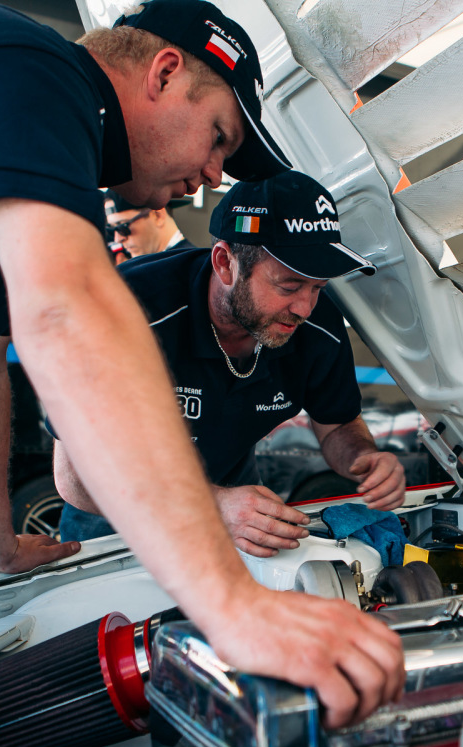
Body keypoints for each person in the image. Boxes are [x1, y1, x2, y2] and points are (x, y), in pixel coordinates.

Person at [0, 0, 402, 728]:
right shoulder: (31, 72)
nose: (211, 177)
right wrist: (237, 610)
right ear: (165, 72)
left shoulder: (10, 186)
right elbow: (65, 313)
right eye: (217, 138)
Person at [55, 172, 407, 552]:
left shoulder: (317, 327)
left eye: (317, 287)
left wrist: (365, 458)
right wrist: (212, 506)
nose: (304, 308)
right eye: (288, 286)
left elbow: (337, 425)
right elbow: (75, 477)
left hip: (229, 511)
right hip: (116, 524)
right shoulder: (124, 309)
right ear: (225, 263)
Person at [104, 188, 189, 260]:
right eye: (112, 229)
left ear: (157, 216)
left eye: (123, 226)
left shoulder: (191, 266)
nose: (118, 239)